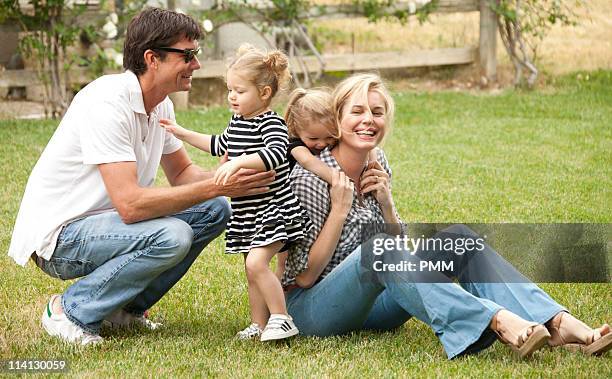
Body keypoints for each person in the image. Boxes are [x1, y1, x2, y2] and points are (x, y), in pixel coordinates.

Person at [280, 72, 612, 358]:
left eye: (378, 112)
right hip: (312, 310)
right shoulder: (308, 180)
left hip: (374, 306)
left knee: (460, 240)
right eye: (358, 111)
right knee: (376, 251)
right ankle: (496, 320)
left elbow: (398, 256)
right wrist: (338, 211)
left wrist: (387, 203)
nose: (369, 119)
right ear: (337, 119)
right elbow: (304, 278)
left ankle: (556, 322)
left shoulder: (376, 165)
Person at [7, 8, 274, 346]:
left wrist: (234, 175)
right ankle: (70, 310)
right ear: (153, 59)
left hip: (107, 226)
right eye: (187, 55)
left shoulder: (160, 104)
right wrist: (217, 184)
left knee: (216, 208)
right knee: (172, 234)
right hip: (61, 239)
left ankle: (124, 311)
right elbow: (130, 205)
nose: (197, 64)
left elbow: (182, 173)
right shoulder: (107, 102)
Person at [160, 44, 309, 341]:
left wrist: (240, 161)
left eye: (239, 91)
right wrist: (182, 133)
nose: (231, 96)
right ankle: (258, 324)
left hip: (273, 210)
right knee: (251, 270)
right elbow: (219, 144)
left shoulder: (271, 122)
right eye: (230, 89)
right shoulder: (238, 122)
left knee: (257, 263)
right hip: (249, 212)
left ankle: (282, 317)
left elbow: (277, 153)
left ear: (264, 93)